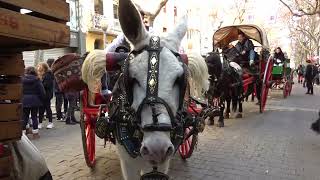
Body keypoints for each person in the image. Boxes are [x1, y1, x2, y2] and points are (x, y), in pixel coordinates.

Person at [22, 67, 46, 139]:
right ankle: (35, 134)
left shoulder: (22, 80)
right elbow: (42, 92)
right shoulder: (37, 80)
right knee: (34, 117)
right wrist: (41, 99)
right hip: (35, 101)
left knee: (25, 117)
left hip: (24, 100)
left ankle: (23, 134)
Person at [37, 62, 54, 129]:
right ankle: (40, 123)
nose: (38, 67)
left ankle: (50, 122)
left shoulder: (48, 75)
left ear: (44, 67)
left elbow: (47, 85)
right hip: (41, 95)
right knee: (41, 109)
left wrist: (39, 84)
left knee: (47, 108)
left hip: (47, 95)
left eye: (40, 66)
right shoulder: (41, 75)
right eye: (38, 66)